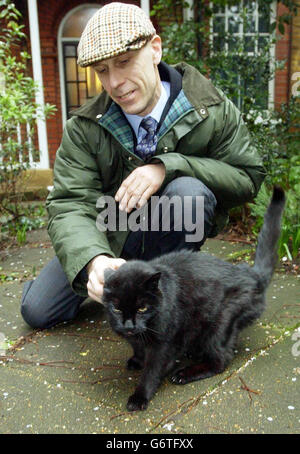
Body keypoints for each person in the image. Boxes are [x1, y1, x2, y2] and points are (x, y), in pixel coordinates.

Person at [21, 2, 265, 330]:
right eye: (103, 70)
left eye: (124, 62)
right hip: (108, 230)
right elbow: (69, 204)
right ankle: (118, 277)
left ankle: (166, 298)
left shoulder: (211, 108)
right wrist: (94, 261)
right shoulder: (83, 126)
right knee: (37, 311)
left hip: (170, 227)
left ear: (155, 49)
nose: (115, 82)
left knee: (188, 193)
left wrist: (171, 166)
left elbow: (248, 177)